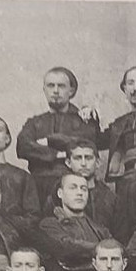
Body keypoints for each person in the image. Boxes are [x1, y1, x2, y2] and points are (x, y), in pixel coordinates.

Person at [17, 65, 101, 205]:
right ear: (44, 90)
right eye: (51, 86)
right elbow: (23, 146)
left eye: (61, 86)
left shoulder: (83, 120)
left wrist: (48, 141)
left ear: (71, 90)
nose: (55, 91)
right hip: (38, 186)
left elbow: (85, 142)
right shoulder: (34, 123)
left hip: (72, 186)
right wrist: (58, 154)